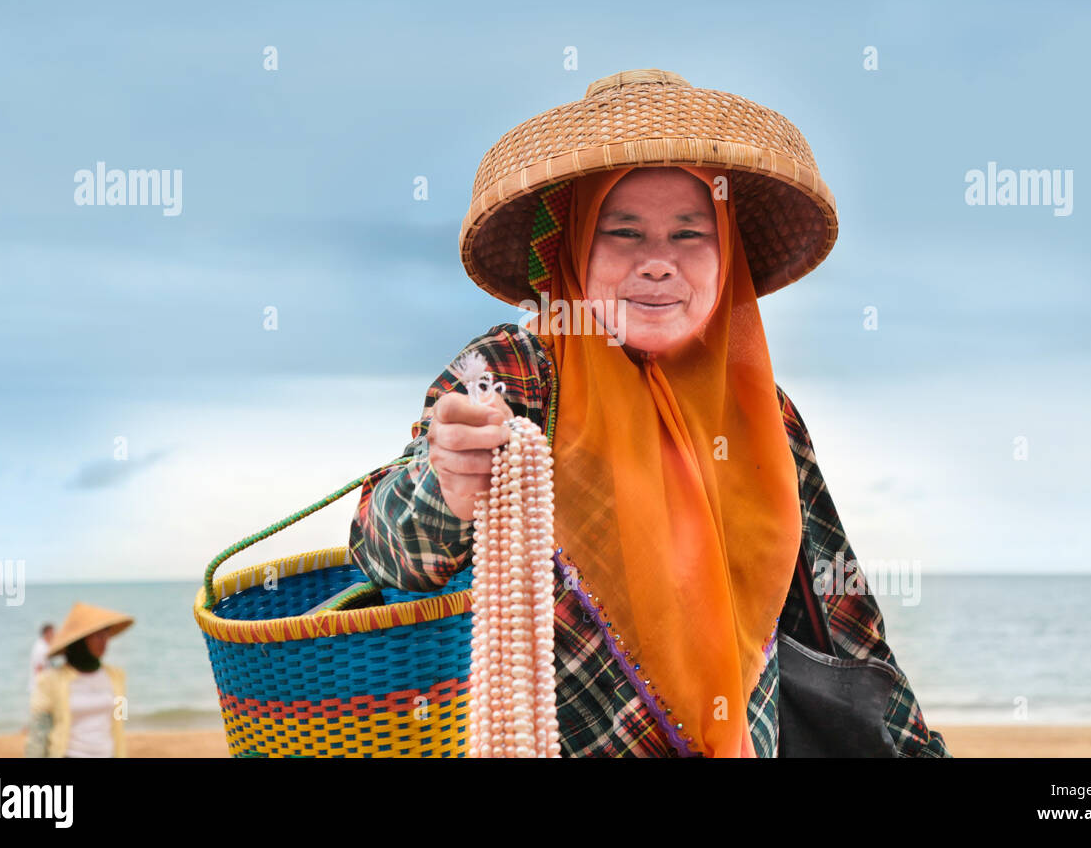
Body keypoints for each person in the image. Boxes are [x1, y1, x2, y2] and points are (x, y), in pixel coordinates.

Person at [349, 68, 949, 757]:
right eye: (624, 233)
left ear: (728, 257)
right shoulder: (513, 374)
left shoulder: (765, 413)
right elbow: (384, 549)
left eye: (690, 234)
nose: (659, 263)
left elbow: (841, 615)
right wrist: (446, 487)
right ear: (575, 247)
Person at [25, 603, 133, 758]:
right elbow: (38, 735)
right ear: (81, 640)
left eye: (106, 634)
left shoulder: (116, 677)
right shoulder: (50, 681)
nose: (104, 641)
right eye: (97, 636)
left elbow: (119, 721)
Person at [27, 623, 55, 696]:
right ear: (47, 633)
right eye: (52, 633)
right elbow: (39, 669)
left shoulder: (43, 645)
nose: (54, 635)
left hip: (41, 687)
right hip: (40, 688)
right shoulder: (41, 648)